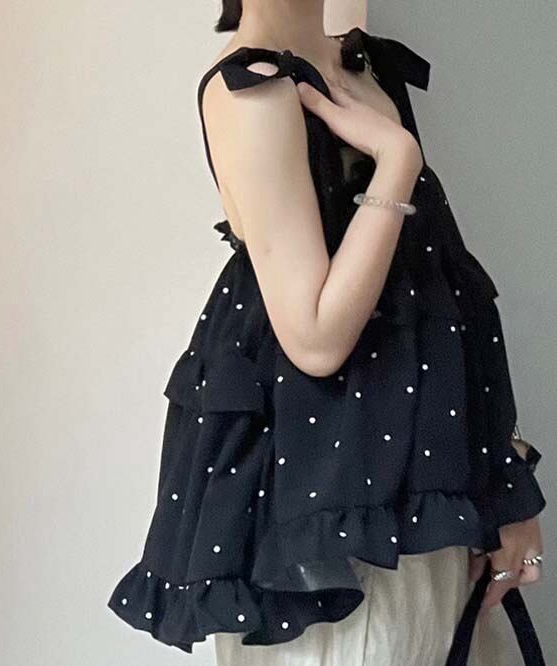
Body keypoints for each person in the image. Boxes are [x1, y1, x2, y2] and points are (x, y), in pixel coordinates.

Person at [108, 1, 547, 663]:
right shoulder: (252, 91)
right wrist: (396, 160)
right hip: (320, 490)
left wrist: (506, 482)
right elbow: (315, 338)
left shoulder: (363, 66)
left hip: (422, 475)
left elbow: (448, 294)